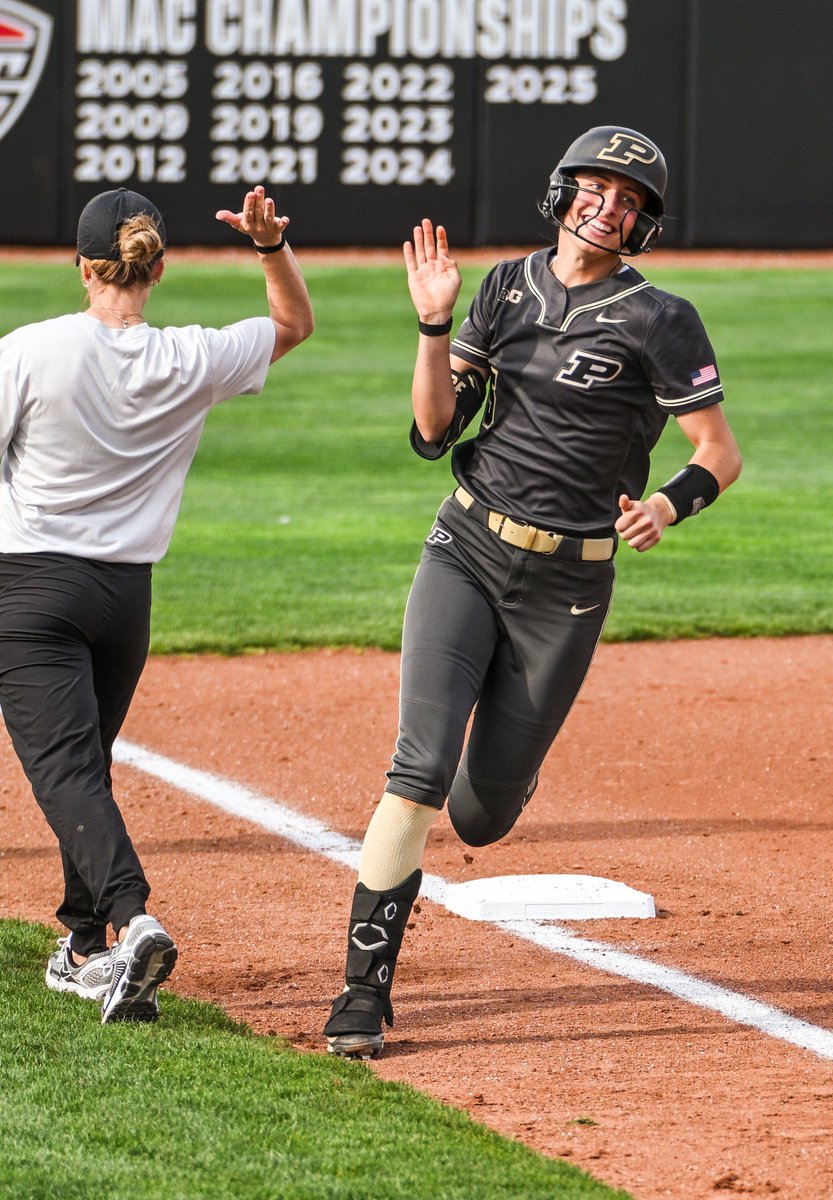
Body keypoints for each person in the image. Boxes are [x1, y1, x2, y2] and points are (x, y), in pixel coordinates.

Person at [323, 125, 742, 1059]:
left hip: (570, 587)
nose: (610, 206)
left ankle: (507, 766)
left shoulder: (661, 318)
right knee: (419, 770)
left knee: (480, 815)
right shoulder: (504, 287)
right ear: (562, 193)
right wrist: (433, 325)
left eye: (631, 200)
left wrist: (669, 507)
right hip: (466, 546)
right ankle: (362, 993)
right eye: (597, 187)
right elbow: (434, 432)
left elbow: (719, 452)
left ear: (644, 225)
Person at [0, 184, 313, 1023]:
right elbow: (292, 326)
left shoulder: (30, 349)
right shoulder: (192, 355)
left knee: (65, 771)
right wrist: (269, 247)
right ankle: (83, 947)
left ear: (81, 266)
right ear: (158, 268)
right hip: (123, 601)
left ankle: (131, 918)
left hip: (31, 590)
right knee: (86, 772)